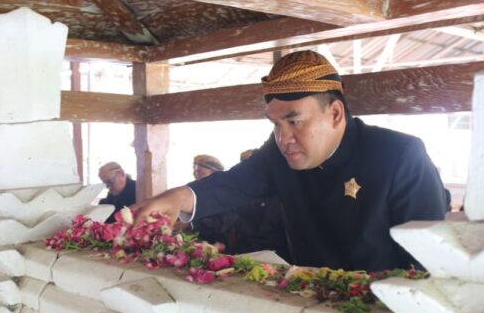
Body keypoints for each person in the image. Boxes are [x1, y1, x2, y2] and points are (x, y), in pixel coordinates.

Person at [134, 50, 447, 271]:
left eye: (294, 121)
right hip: (307, 306)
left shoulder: (399, 156)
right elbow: (237, 183)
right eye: (275, 124)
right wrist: (177, 197)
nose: (283, 138)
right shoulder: (278, 152)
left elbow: (427, 263)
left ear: (335, 113)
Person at [224, 149, 290, 260]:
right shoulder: (240, 195)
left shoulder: (280, 194)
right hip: (244, 254)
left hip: (274, 257)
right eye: (243, 163)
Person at [188, 155, 235, 248]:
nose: (194, 174)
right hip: (196, 240)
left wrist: (190, 223)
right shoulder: (193, 190)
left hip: (218, 244)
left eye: (199, 171)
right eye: (194, 170)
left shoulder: (225, 193)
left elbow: (223, 224)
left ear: (215, 173)